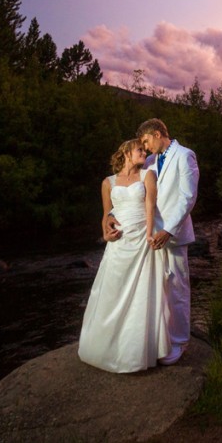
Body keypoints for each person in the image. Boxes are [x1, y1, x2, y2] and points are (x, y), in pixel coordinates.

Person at [78, 139, 171, 372]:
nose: (144, 152)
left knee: (140, 294)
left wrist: (149, 235)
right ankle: (105, 347)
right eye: (140, 149)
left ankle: (134, 352)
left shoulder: (147, 176)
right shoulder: (108, 182)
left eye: (144, 149)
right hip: (118, 243)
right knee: (112, 290)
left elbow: (150, 206)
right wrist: (105, 231)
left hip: (140, 239)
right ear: (127, 153)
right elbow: (106, 214)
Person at [135, 117, 198, 366]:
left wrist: (169, 231)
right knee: (156, 287)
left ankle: (180, 341)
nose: (145, 147)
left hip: (173, 234)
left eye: (146, 141)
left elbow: (188, 196)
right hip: (151, 234)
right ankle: (162, 338)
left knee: (177, 287)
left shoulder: (185, 155)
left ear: (158, 133)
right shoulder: (150, 162)